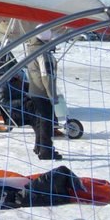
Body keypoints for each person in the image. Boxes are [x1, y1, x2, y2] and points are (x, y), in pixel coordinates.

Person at [24, 29, 62, 160]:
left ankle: (39, 147)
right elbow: (47, 76)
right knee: (47, 122)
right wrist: (52, 95)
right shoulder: (43, 53)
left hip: (34, 91)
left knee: (39, 121)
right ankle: (46, 151)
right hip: (43, 92)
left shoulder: (31, 49)